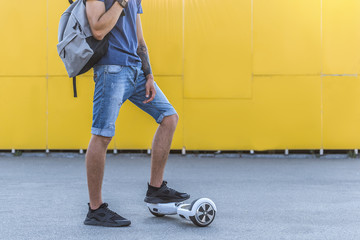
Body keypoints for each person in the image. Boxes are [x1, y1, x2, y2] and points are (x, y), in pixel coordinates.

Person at [83, 0, 190, 227]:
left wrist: (148, 74)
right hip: (111, 70)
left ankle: (156, 189)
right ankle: (95, 209)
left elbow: (139, 38)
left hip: (136, 71)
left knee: (169, 118)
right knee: (102, 135)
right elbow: (98, 29)